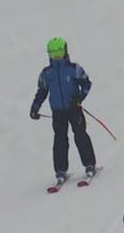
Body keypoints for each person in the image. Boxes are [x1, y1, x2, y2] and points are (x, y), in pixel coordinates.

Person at [30, 37, 96, 181]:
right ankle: (60, 170)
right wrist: (35, 108)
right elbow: (41, 91)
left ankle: (90, 164)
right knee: (59, 139)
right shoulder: (47, 73)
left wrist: (79, 98)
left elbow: (86, 84)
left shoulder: (74, 69)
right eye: (53, 54)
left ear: (65, 51)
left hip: (74, 109)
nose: (56, 57)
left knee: (80, 135)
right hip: (58, 112)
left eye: (59, 53)